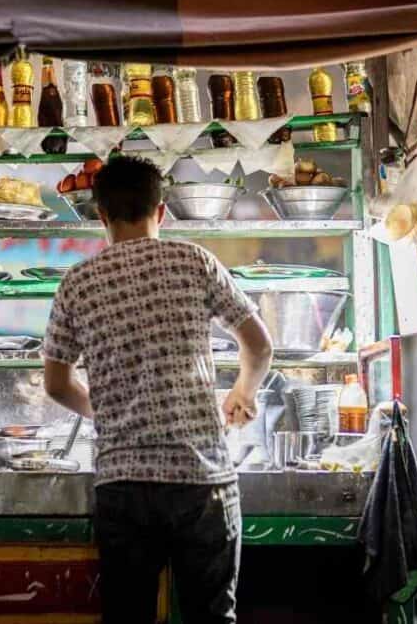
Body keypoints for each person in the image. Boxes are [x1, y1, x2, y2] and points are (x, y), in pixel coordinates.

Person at [43, 155, 273, 624]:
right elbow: (259, 344)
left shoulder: (78, 282)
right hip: (201, 479)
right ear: (161, 211)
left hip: (123, 485)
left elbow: (57, 384)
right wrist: (243, 392)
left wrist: (103, 412)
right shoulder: (193, 261)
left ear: (101, 215)